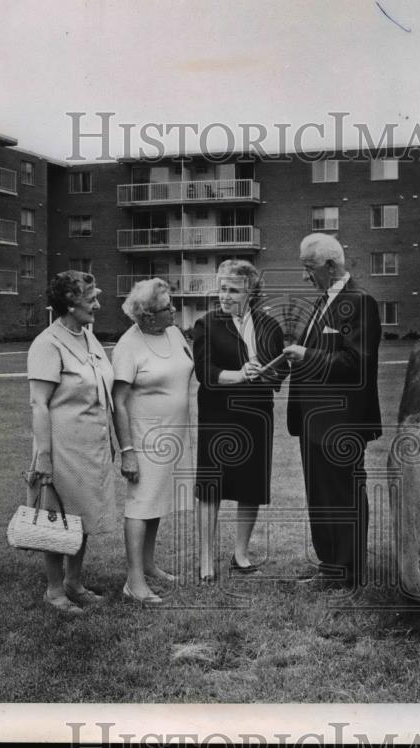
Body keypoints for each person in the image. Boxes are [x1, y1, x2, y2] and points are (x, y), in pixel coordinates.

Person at [283, 233, 382, 589]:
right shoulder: (324, 301)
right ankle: (330, 566)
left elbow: (357, 363)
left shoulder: (360, 302)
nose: (305, 276)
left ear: (329, 265)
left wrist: (307, 355)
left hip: (341, 423)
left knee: (343, 496)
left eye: (308, 268)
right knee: (321, 498)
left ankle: (348, 571)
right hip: (313, 423)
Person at [26, 271, 116, 615]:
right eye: (90, 299)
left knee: (83, 517)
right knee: (56, 518)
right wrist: (44, 456)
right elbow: (39, 403)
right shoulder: (47, 343)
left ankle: (74, 582)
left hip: (92, 445)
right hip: (61, 447)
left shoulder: (88, 338)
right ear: (69, 303)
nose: (97, 304)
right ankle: (53, 589)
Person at [192, 260, 286, 582]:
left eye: (233, 290)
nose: (225, 295)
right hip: (218, 415)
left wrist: (270, 370)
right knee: (211, 487)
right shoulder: (206, 324)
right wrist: (239, 375)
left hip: (257, 416)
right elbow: (205, 372)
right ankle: (206, 561)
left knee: (251, 485)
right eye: (222, 288)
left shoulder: (270, 326)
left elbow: (279, 373)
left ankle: (241, 555)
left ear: (251, 291)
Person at [112, 278, 194, 604]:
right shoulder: (128, 346)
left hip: (173, 435)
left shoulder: (173, 333)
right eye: (167, 307)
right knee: (140, 504)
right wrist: (127, 452)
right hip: (144, 438)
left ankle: (148, 565)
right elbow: (117, 402)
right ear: (146, 315)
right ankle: (133, 581)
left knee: (157, 500)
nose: (174, 310)